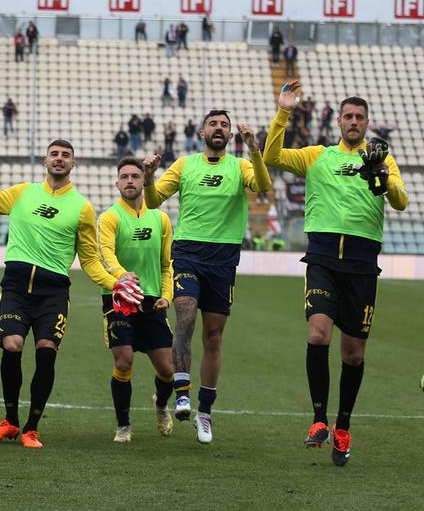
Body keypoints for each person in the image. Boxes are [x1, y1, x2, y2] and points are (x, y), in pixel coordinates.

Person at [264, 82, 408, 466]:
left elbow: (401, 201)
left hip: (362, 265)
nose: (354, 122)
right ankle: (318, 420)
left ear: (366, 123)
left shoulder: (381, 158)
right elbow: (272, 154)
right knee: (317, 332)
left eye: (360, 117)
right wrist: (284, 112)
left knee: (354, 354)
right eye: (348, 116)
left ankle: (343, 425)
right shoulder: (318, 155)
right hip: (324, 259)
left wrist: (380, 171)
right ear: (339, 122)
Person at [0, 140, 129, 448]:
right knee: (12, 345)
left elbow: (91, 260)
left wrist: (115, 281)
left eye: (66, 155)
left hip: (52, 292)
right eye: (55, 154)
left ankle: (31, 428)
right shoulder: (23, 192)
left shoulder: (82, 207)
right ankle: (10, 422)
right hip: (15, 285)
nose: (59, 159)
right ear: (45, 160)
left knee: (45, 351)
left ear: (73, 164)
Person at [141, 110, 271, 444]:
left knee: (214, 336)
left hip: (224, 258)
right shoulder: (185, 165)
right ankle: (181, 392)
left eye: (224, 126)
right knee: (184, 317)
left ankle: (205, 412)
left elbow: (263, 186)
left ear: (230, 136)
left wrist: (254, 147)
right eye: (213, 124)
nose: (219, 128)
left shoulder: (240, 166)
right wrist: (149, 176)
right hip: (188, 253)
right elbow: (154, 200)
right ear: (201, 133)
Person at [98, 157, 177, 442]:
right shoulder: (109, 218)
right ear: (117, 183)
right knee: (124, 362)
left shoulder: (161, 218)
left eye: (135, 176)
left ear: (144, 181)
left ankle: (160, 404)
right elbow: (105, 255)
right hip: (119, 298)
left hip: (152, 300)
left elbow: (167, 264)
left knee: (168, 370)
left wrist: (167, 296)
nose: (129, 180)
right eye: (124, 177)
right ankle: (123, 425)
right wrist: (122, 277)